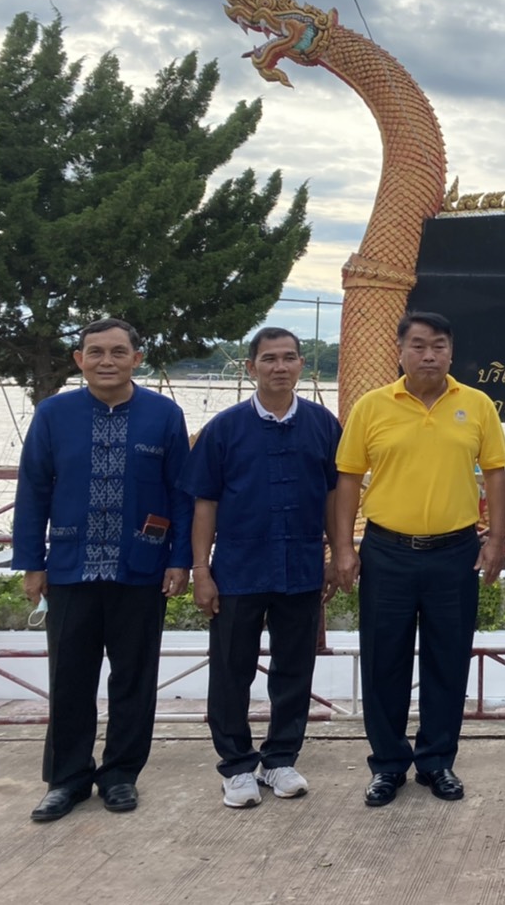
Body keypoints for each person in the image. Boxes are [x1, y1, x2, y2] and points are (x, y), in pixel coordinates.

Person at [12, 318, 193, 822]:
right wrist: (31, 563)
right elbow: (33, 490)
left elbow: (181, 492)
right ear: (79, 360)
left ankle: (120, 775)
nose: (106, 361)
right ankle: (66, 779)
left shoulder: (163, 414)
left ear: (138, 358)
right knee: (69, 678)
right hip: (70, 568)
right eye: (96, 352)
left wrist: (181, 559)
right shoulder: (54, 414)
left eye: (118, 351)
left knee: (134, 678)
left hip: (142, 568)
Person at [331, 311, 505, 807]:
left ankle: (437, 762)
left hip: (455, 553)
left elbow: (495, 472)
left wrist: (495, 540)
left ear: (451, 352)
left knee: (447, 661)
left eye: (438, 345)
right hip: (387, 552)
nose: (428, 354)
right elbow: (347, 477)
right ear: (400, 351)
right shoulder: (372, 406)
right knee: (383, 661)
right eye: (418, 345)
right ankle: (387, 764)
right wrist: (344, 548)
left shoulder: (475, 405)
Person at [181, 328, 343, 808]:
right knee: (231, 670)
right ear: (250, 367)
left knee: (294, 668)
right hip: (238, 569)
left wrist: (336, 554)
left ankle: (280, 759)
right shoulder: (224, 429)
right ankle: (235, 766)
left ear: (301, 366)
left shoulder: (323, 424)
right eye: (269, 358)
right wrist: (201, 571)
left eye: (289, 358)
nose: (280, 366)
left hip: (301, 568)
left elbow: (336, 496)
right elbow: (204, 504)